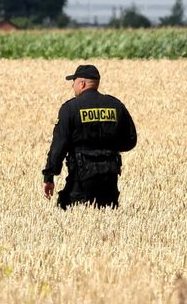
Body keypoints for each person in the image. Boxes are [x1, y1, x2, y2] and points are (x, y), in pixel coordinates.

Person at [42, 64, 138, 209]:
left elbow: (59, 146)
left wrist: (49, 176)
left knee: (71, 211)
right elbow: (130, 140)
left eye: (73, 82)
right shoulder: (115, 105)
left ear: (82, 83)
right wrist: (108, 148)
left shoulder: (70, 108)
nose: (72, 86)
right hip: (109, 176)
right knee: (108, 213)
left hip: (81, 177)